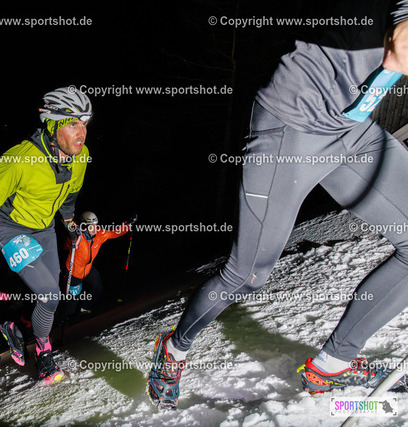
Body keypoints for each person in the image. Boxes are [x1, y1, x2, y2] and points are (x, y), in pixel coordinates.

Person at [147, 0, 408, 410]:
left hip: (351, 129)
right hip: (291, 126)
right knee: (247, 275)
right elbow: (401, 47)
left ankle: (331, 367)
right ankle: (174, 348)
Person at [0, 86, 92, 383]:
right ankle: (44, 356)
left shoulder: (81, 156)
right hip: (9, 226)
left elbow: (70, 194)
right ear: (53, 125)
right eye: (73, 124)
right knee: (49, 295)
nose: (81, 133)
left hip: (44, 226)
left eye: (85, 124)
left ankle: (16, 327)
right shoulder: (20, 159)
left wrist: (69, 222)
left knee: (51, 295)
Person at [62, 211, 135, 317]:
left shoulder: (100, 234)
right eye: (91, 226)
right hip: (74, 272)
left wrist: (127, 225)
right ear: (84, 226)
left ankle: (84, 308)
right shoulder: (78, 238)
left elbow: (115, 233)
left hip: (88, 268)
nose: (94, 229)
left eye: (95, 225)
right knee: (74, 299)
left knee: (98, 287)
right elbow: (66, 245)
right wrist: (70, 234)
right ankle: (68, 317)